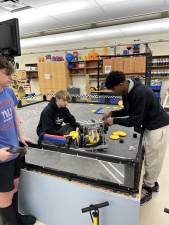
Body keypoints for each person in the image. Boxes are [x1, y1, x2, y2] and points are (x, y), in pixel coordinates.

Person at [102, 71, 169, 205]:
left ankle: (148, 188)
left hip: (157, 127)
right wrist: (113, 112)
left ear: (121, 84)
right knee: (151, 157)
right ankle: (151, 182)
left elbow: (135, 120)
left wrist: (114, 121)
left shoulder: (139, 92)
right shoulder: (127, 91)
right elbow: (128, 110)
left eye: (114, 89)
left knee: (153, 159)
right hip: (149, 125)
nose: (114, 92)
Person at [0, 56, 36, 225]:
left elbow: (14, 115)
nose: (11, 77)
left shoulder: (8, 91)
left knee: (15, 188)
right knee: (4, 199)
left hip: (14, 150)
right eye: (7, 73)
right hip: (2, 157)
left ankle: (16, 219)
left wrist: (21, 136)